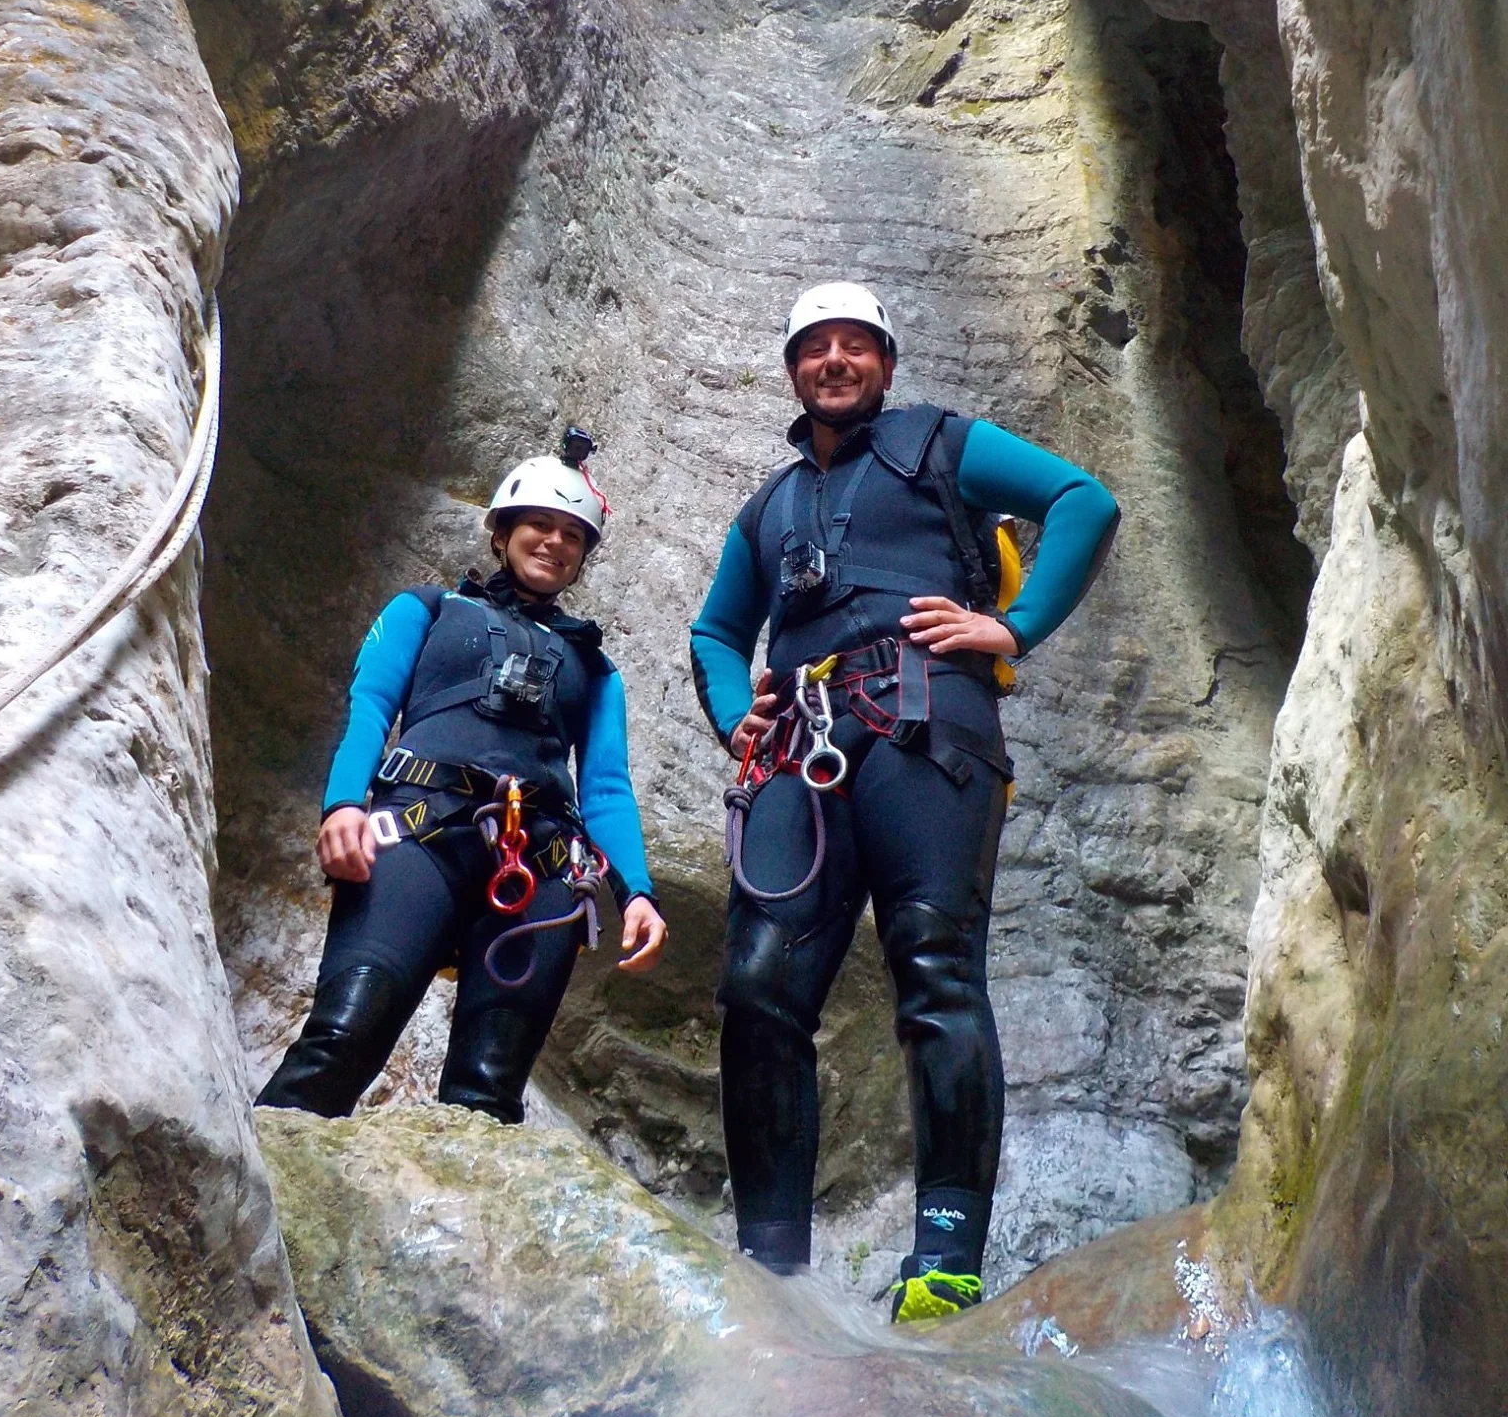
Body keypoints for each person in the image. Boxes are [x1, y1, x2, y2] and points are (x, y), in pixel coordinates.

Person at [689, 283, 1119, 1322]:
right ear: (794, 369)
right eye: (815, 347)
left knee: (934, 965)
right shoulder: (769, 507)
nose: (835, 360)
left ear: (884, 360)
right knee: (758, 987)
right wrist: (729, 716)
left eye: (856, 344)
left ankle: (945, 1261)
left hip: (927, 727)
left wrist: (1011, 627)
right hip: (800, 747)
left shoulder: (942, 444)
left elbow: (1083, 500)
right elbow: (714, 632)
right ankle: (773, 1267)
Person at [259, 435, 666, 1121]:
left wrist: (639, 895)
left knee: (490, 1090)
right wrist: (342, 806)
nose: (554, 543)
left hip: (540, 867)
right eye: (539, 524)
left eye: (573, 535)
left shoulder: (596, 671)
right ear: (502, 532)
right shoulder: (425, 609)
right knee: (342, 1038)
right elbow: (370, 710)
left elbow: (604, 789)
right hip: (418, 835)